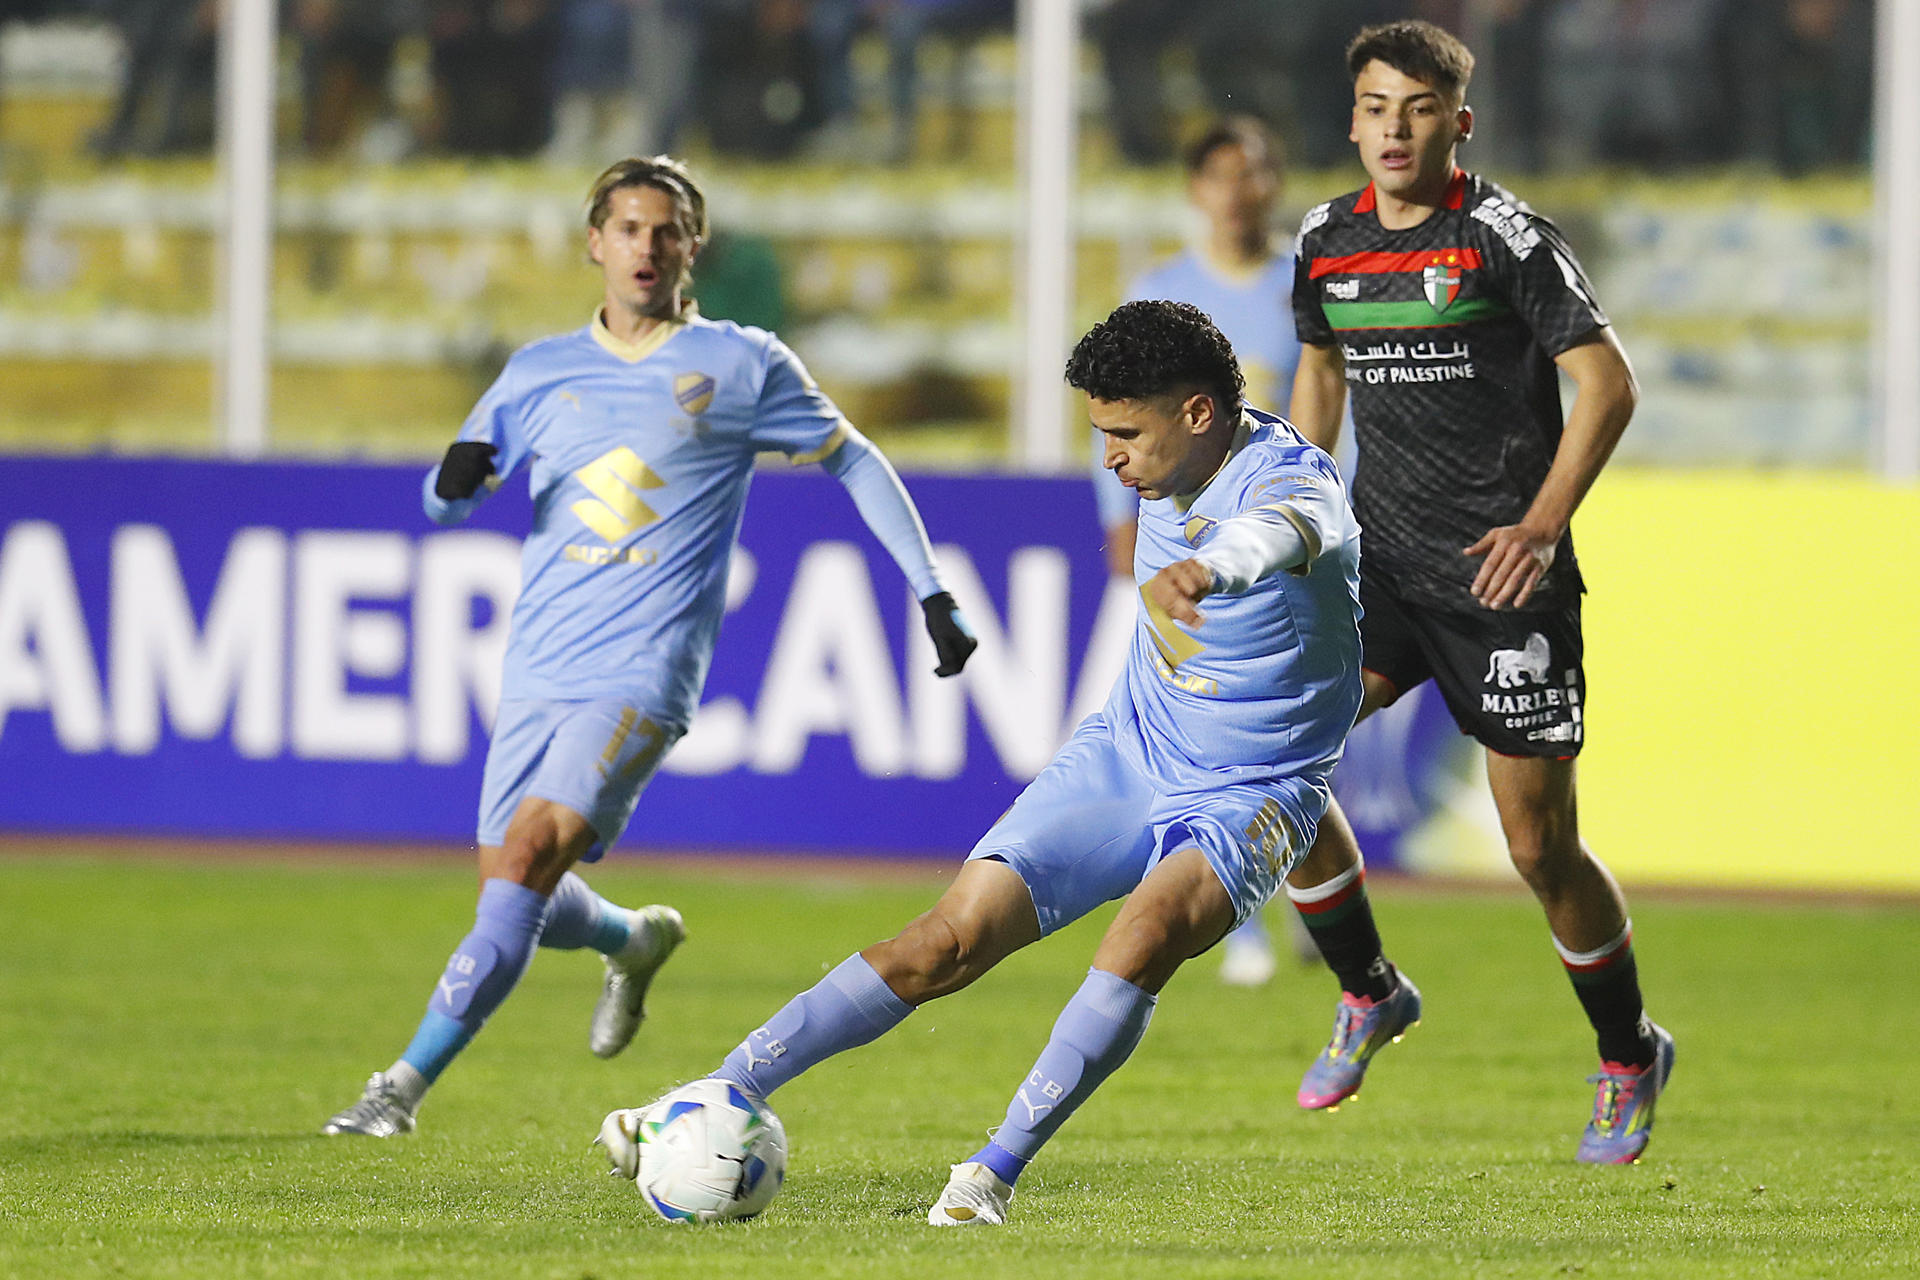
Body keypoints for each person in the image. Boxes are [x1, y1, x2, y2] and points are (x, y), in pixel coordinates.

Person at [599, 299, 1366, 1225]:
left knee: (1145, 932)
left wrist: (1212, 570)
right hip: (1130, 750)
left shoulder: (1296, 482)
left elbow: (1275, 534)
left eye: (1125, 434)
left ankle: (991, 1172)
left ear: (1196, 414)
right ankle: (716, 1093)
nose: (1112, 457)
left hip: (1256, 788)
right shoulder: (1165, 474)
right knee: (943, 943)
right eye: (1099, 434)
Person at [321, 156, 979, 1137]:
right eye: (627, 228)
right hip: (539, 665)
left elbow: (854, 455)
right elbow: (445, 500)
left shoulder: (743, 363)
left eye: (666, 229)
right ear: (595, 242)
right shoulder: (539, 371)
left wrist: (929, 588)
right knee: (515, 877)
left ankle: (397, 1088)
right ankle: (631, 937)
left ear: (692, 246)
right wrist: (453, 479)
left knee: (532, 853)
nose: (646, 246)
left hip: (645, 670)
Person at [1281, 20, 1673, 1164]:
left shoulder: (1504, 236)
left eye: (1417, 109)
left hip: (1504, 580)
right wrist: (1303, 520)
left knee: (1538, 847)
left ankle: (1626, 1050)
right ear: (1351, 119)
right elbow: (1318, 374)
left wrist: (1543, 526)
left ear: (1459, 122)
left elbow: (1607, 382)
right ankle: (1368, 986)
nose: (1393, 129)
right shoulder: (1325, 242)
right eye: (1374, 107)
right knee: (1273, 754)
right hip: (1381, 566)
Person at [1093, 115, 1315, 986]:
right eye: (1220, 174)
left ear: (1273, 183)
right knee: (1206, 729)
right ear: (1196, 191)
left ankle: (1297, 895)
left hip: (1281, 544)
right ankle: (1247, 919)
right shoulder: (1163, 292)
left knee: (1281, 726)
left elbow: (1336, 411)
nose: (1237, 190)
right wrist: (1112, 504)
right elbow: (1116, 406)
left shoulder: (1306, 286)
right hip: (1182, 541)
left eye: (1253, 172)